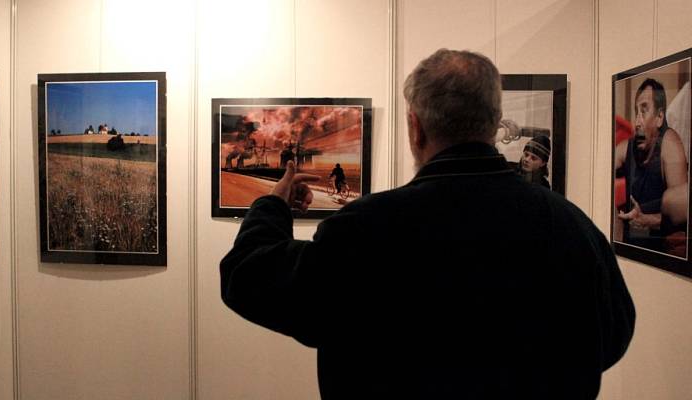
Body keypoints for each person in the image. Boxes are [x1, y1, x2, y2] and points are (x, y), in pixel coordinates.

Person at [220, 49, 635, 398]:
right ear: (492, 125)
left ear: (415, 127)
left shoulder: (363, 230)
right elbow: (613, 336)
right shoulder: (570, 226)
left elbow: (248, 276)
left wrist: (272, 206)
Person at [613, 78, 688, 252]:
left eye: (644, 111)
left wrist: (647, 219)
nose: (637, 122)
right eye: (636, 112)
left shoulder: (670, 144)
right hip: (631, 250)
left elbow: (682, 222)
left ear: (659, 117)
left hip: (660, 255)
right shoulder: (628, 148)